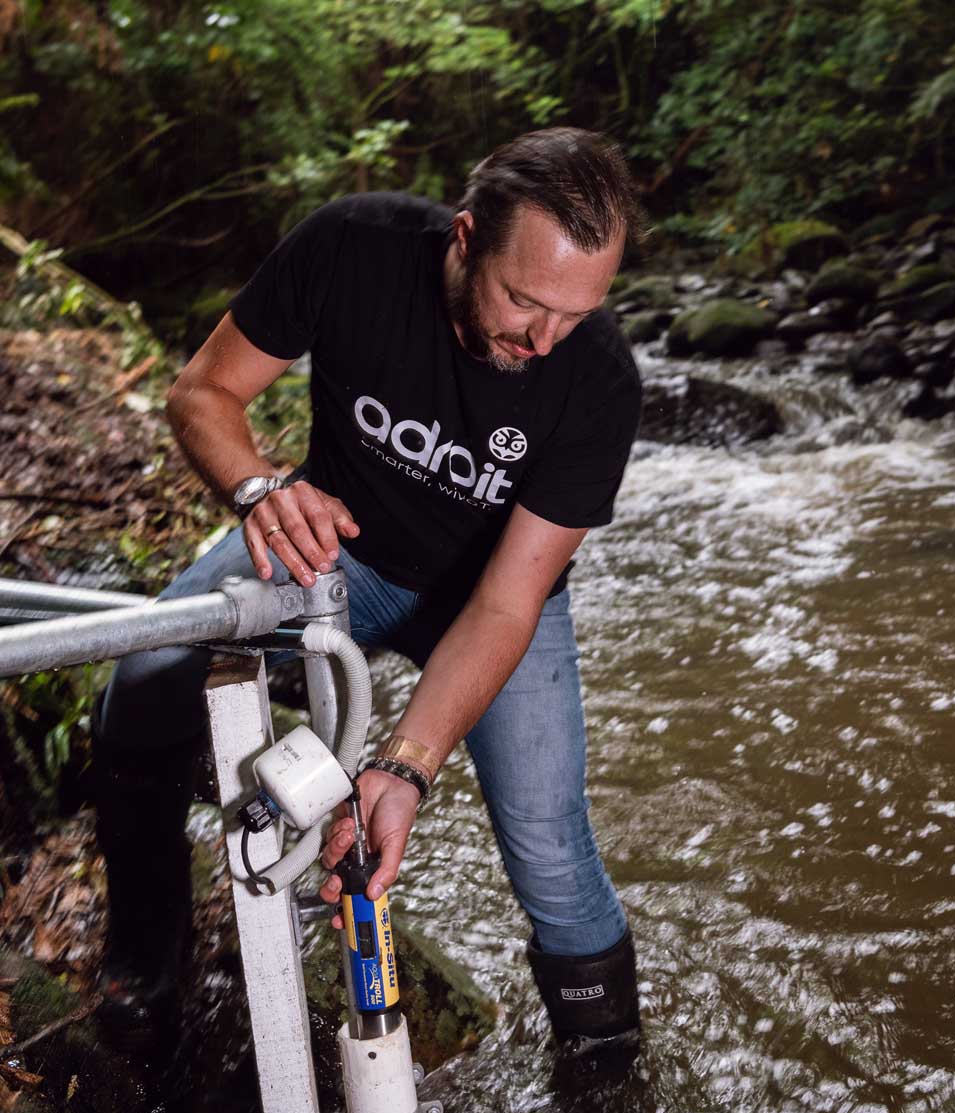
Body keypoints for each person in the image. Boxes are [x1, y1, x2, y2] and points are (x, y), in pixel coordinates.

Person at [92, 127, 643, 1057]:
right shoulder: (354, 248)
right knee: (141, 684)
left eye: (575, 315)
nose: (543, 341)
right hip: (329, 550)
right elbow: (202, 394)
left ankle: (608, 1068)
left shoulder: (595, 382)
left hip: (492, 602)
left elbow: (509, 604)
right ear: (464, 238)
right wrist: (262, 488)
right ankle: (146, 962)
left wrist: (405, 764)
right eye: (525, 302)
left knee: (550, 850)